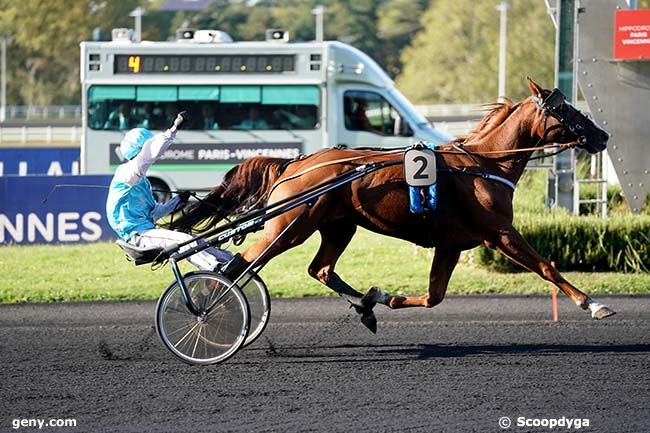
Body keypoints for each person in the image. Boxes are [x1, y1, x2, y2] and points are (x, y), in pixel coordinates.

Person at [106, 111, 232, 270]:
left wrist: (178, 200)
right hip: (139, 237)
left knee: (197, 241)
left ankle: (228, 260)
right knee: (186, 240)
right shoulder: (126, 173)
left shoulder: (141, 181)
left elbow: (156, 212)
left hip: (146, 232)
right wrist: (173, 129)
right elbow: (147, 156)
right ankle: (215, 268)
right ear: (139, 149)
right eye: (147, 146)